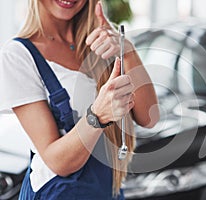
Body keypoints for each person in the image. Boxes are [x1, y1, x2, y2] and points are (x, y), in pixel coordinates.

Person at [0, 0, 159, 199]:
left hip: (106, 191)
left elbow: (149, 117)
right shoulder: (18, 55)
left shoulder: (100, 44)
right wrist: (98, 115)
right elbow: (59, 163)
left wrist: (127, 50)